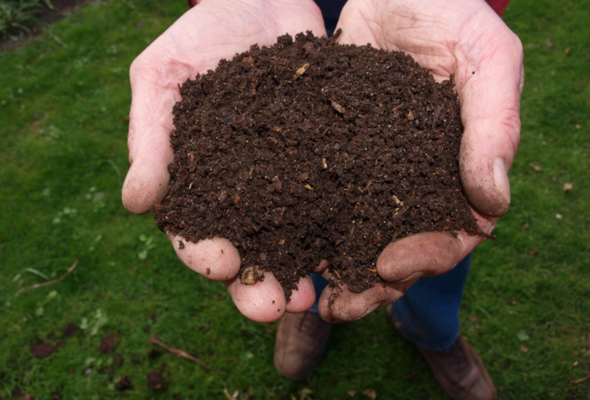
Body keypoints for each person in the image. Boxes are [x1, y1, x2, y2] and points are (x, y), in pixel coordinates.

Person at [122, 0, 523, 398]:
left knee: (435, 234)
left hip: (404, 21)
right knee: (310, 240)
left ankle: (433, 332)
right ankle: (310, 310)